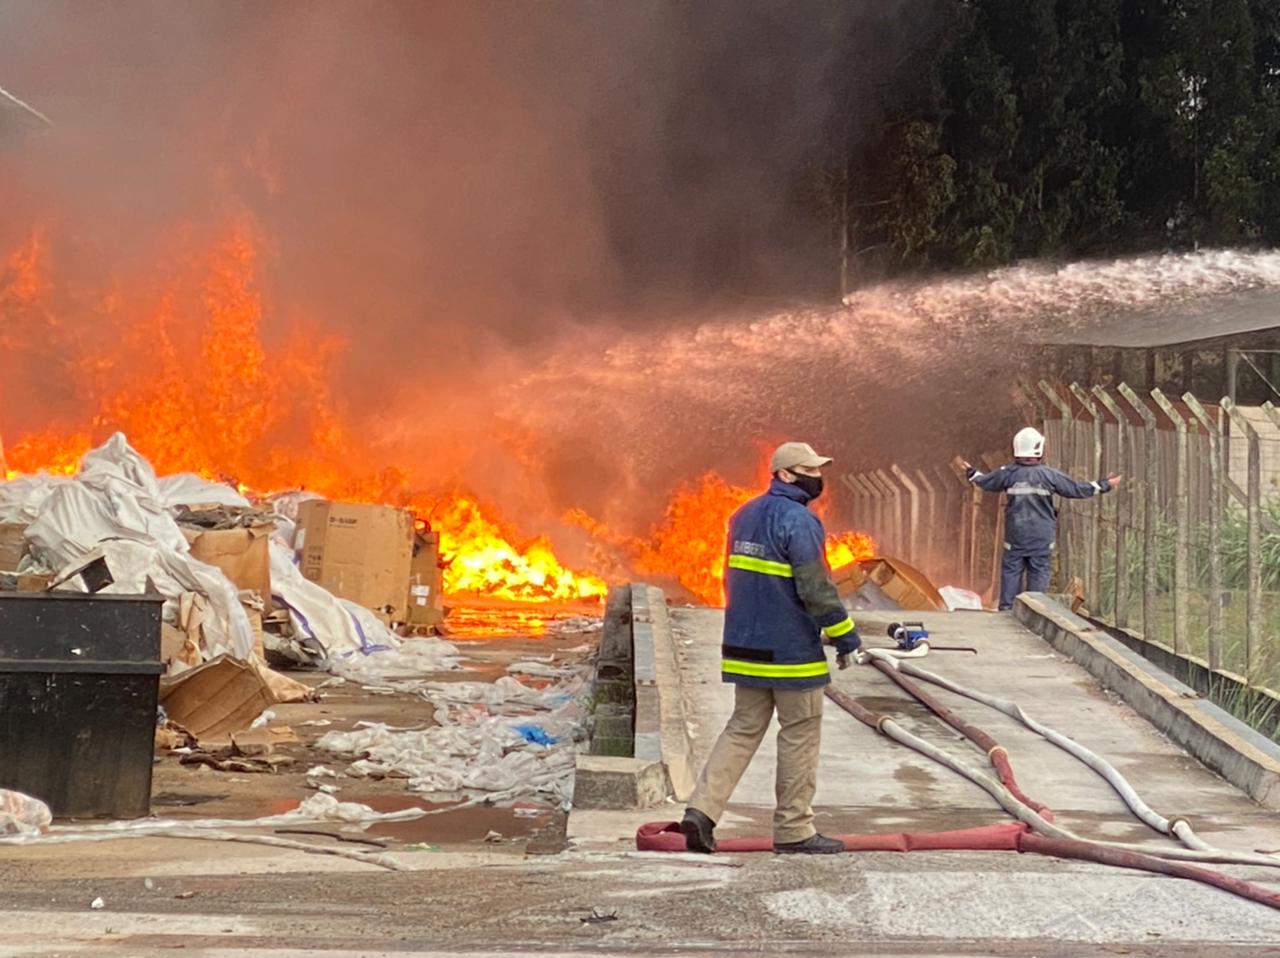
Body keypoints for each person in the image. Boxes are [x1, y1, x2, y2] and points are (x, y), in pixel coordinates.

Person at [681, 441, 862, 855]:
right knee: (799, 733)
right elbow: (816, 589)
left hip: (744, 646)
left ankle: (700, 813)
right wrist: (845, 634)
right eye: (808, 470)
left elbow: (733, 582)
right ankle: (795, 829)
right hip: (790, 655)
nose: (817, 478)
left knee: (742, 729)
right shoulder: (800, 521)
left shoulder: (742, 515)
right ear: (784, 474)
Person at [965, 427, 1122, 611]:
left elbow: (985, 482)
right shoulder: (1050, 475)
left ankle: (1006, 612)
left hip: (1015, 538)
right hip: (1041, 538)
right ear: (1039, 448)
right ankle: (1035, 612)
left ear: (1017, 448)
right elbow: (1077, 490)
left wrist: (972, 473)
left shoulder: (1007, 473)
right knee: (1038, 577)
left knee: (1011, 572)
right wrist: (1105, 485)